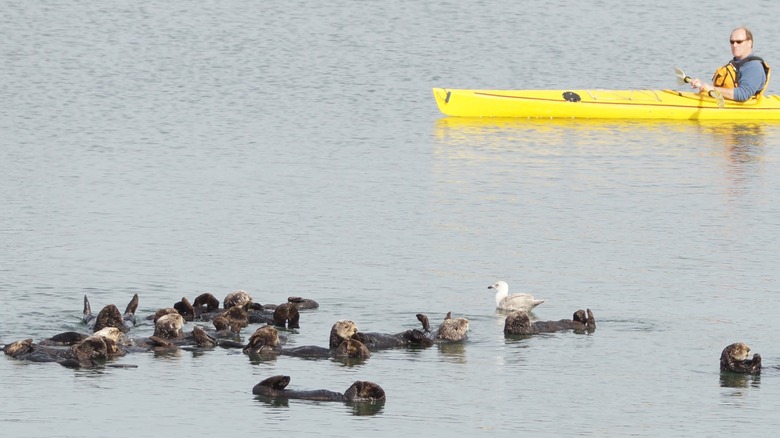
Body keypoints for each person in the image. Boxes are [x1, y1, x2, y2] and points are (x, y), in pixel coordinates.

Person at [690, 27, 770, 102]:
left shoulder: (754, 67)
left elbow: (743, 94)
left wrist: (711, 88)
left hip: (745, 108)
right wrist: (701, 85)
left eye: (739, 42)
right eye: (732, 42)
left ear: (749, 43)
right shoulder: (735, 64)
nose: (734, 45)